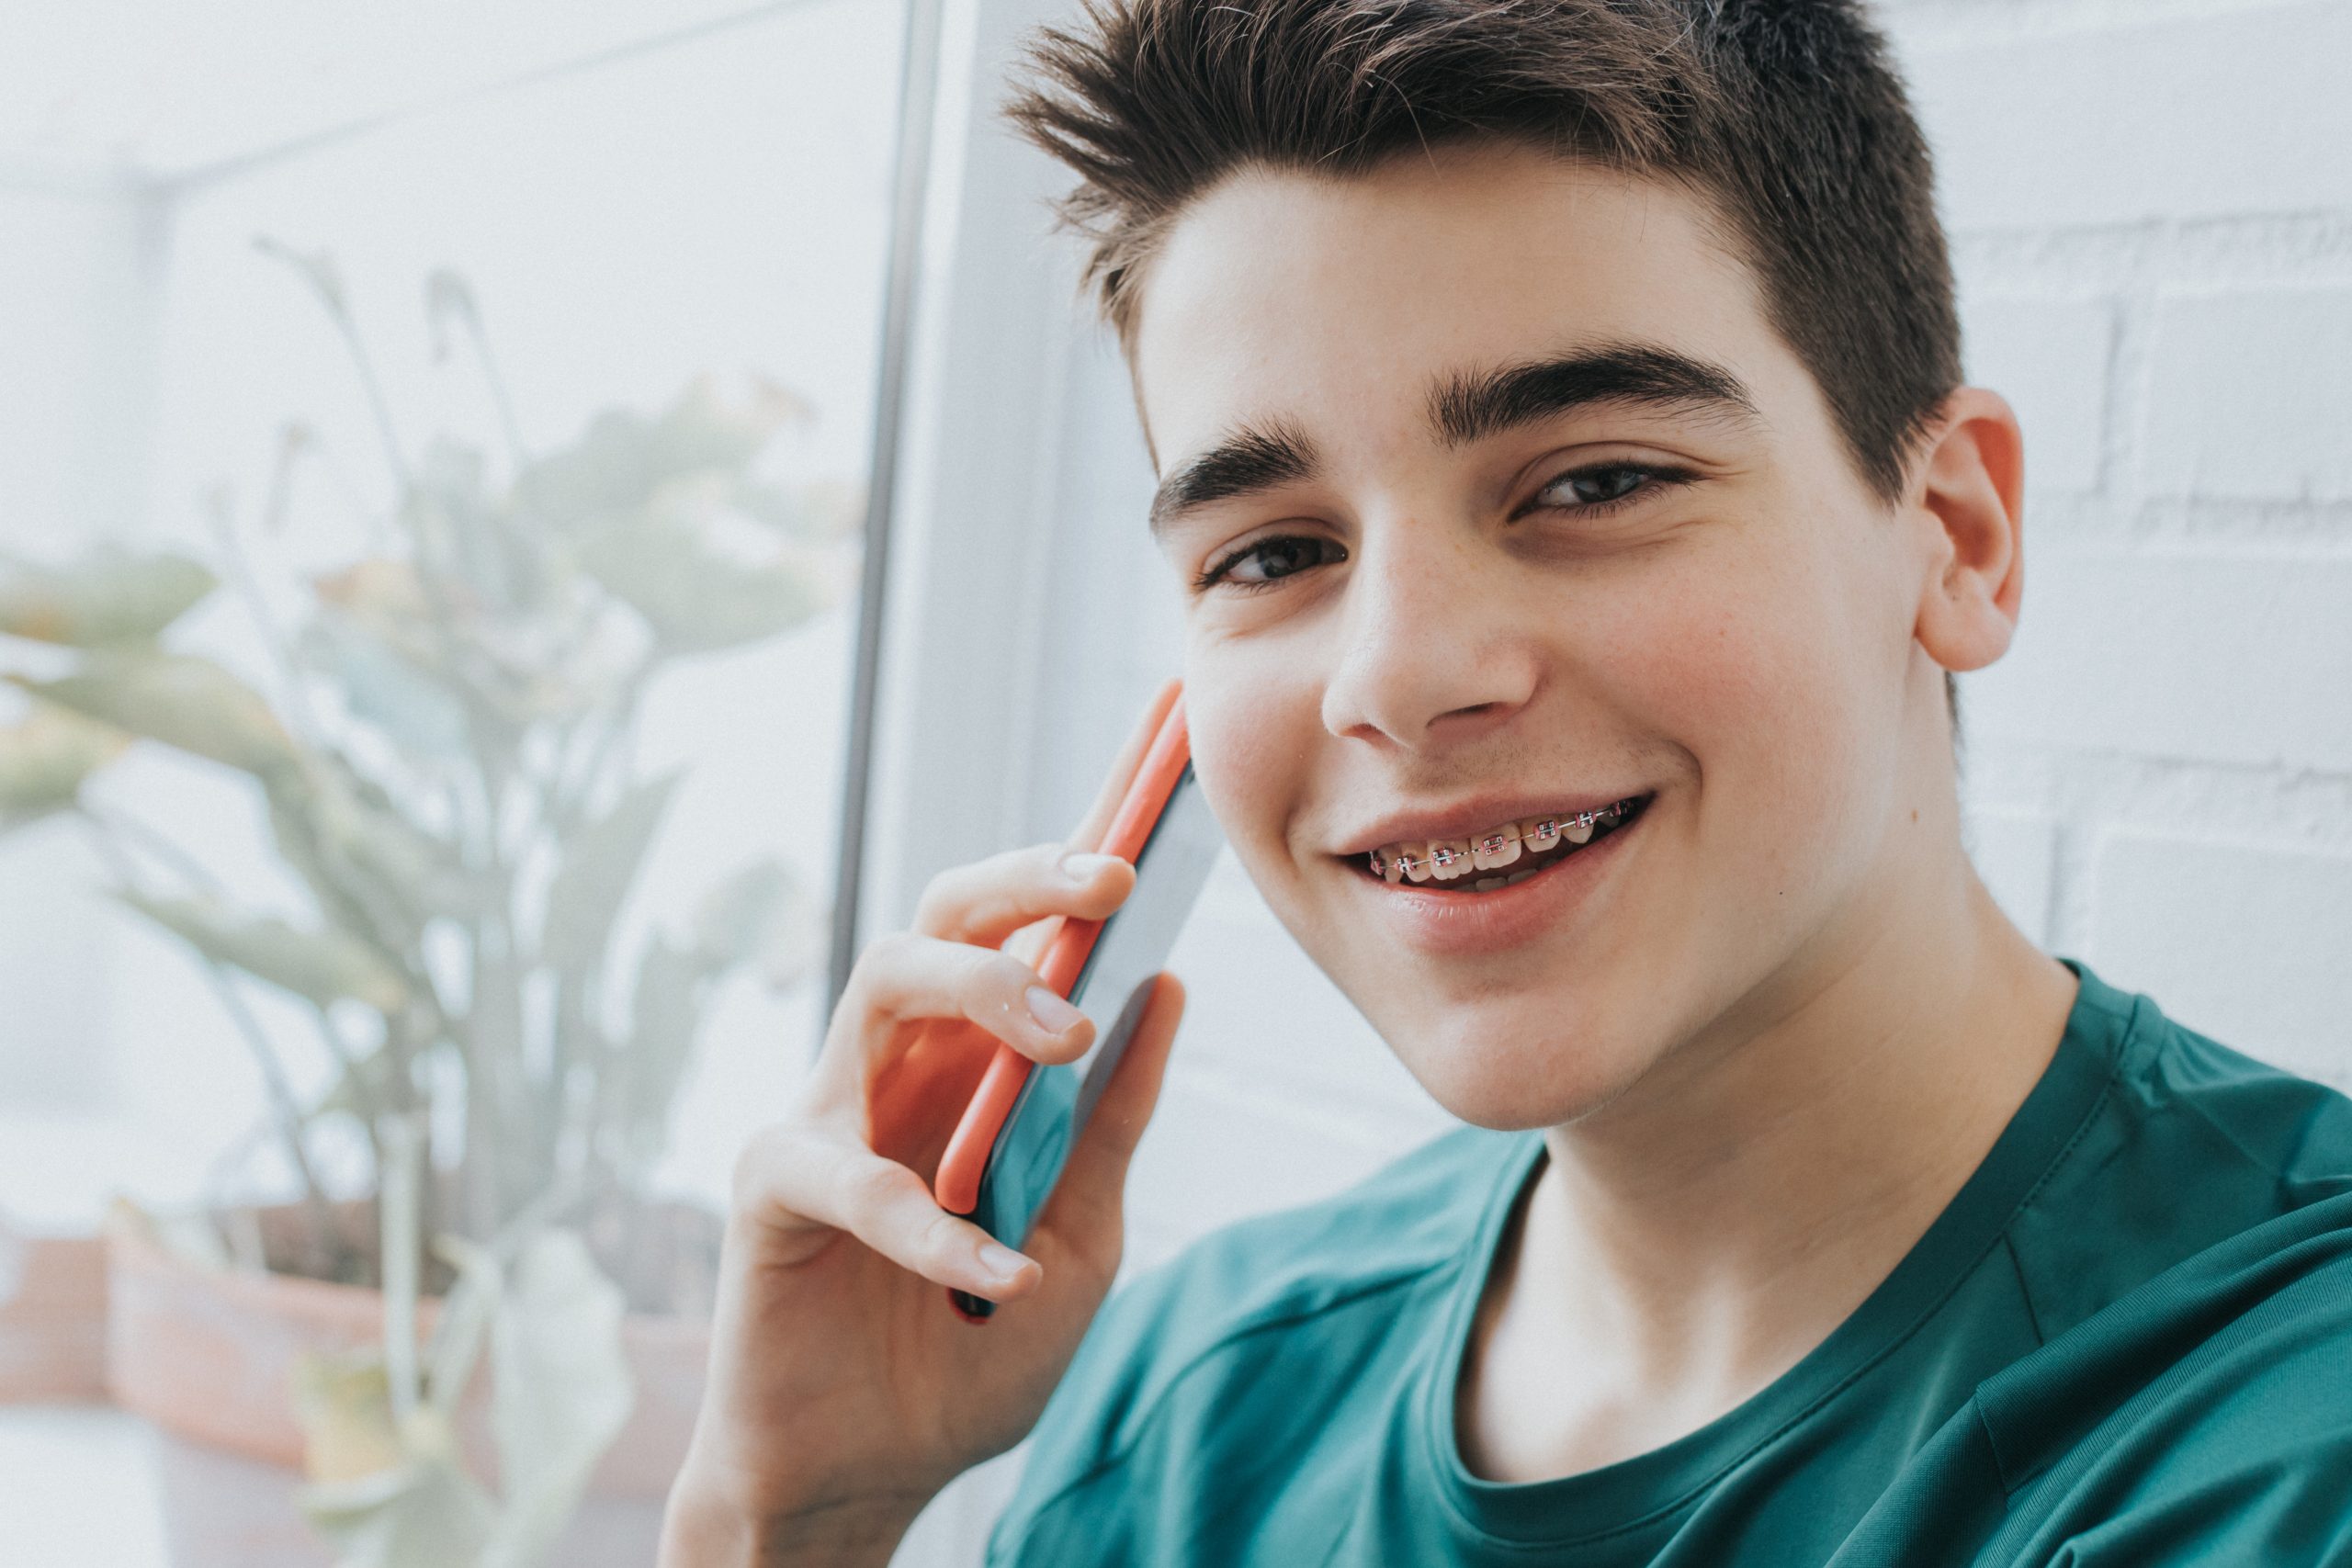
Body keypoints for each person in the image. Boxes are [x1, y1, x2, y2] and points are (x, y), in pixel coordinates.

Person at [658, 1, 2352, 1562]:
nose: (1394, 677)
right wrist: (791, 1510)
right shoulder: (1186, 1419)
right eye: (1274, 553)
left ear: (1958, 539)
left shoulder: (2279, 1446)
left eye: (1595, 478)